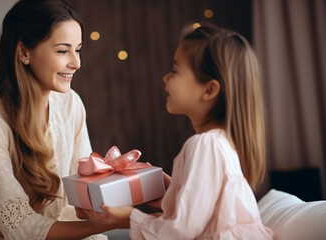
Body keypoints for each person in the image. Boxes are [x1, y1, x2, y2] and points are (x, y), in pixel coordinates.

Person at [85, 23, 276, 239]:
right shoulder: (220, 144)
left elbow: (179, 231)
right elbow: (204, 214)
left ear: (209, 89)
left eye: (175, 70)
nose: (165, 77)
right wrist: (175, 189)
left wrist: (129, 218)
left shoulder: (205, 145)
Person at [0, 0, 108, 239]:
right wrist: (102, 226)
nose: (77, 63)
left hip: (57, 228)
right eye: (63, 50)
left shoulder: (71, 103)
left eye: (78, 49)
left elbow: (81, 190)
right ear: (23, 52)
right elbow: (22, 228)